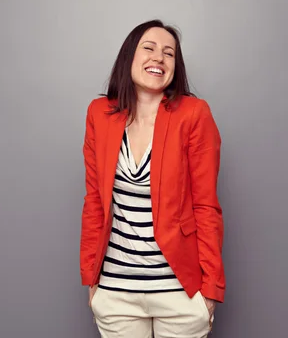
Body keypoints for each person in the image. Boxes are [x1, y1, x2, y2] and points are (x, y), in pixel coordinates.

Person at [79, 19, 226, 338]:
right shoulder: (99, 114)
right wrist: (91, 278)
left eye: (169, 53)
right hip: (116, 291)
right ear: (129, 56)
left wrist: (211, 289)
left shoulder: (194, 114)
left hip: (179, 293)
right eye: (149, 48)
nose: (159, 57)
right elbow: (95, 203)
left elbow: (206, 206)